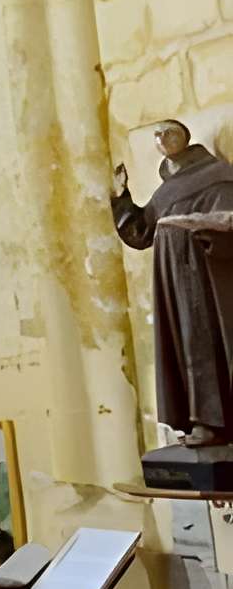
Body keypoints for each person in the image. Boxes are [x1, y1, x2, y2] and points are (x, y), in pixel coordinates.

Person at [113, 119, 233, 441]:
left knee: (201, 342)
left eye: (170, 132)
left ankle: (211, 423)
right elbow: (141, 231)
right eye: (158, 134)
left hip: (201, 274)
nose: (162, 138)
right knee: (182, 344)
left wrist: (209, 234)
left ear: (185, 137)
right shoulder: (168, 189)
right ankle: (194, 420)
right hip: (172, 274)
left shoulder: (217, 175)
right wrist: (121, 196)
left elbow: (228, 220)